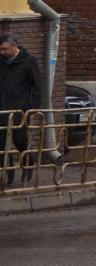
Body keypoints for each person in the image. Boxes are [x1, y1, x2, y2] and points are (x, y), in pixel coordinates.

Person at [0, 34, 43, 186]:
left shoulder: (28, 61)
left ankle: (28, 164)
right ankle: (7, 175)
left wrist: (33, 108)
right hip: (2, 108)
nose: (2, 52)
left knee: (19, 140)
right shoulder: (2, 62)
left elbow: (37, 86)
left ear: (14, 45)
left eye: (5, 49)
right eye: (0, 50)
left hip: (19, 109)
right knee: (1, 144)